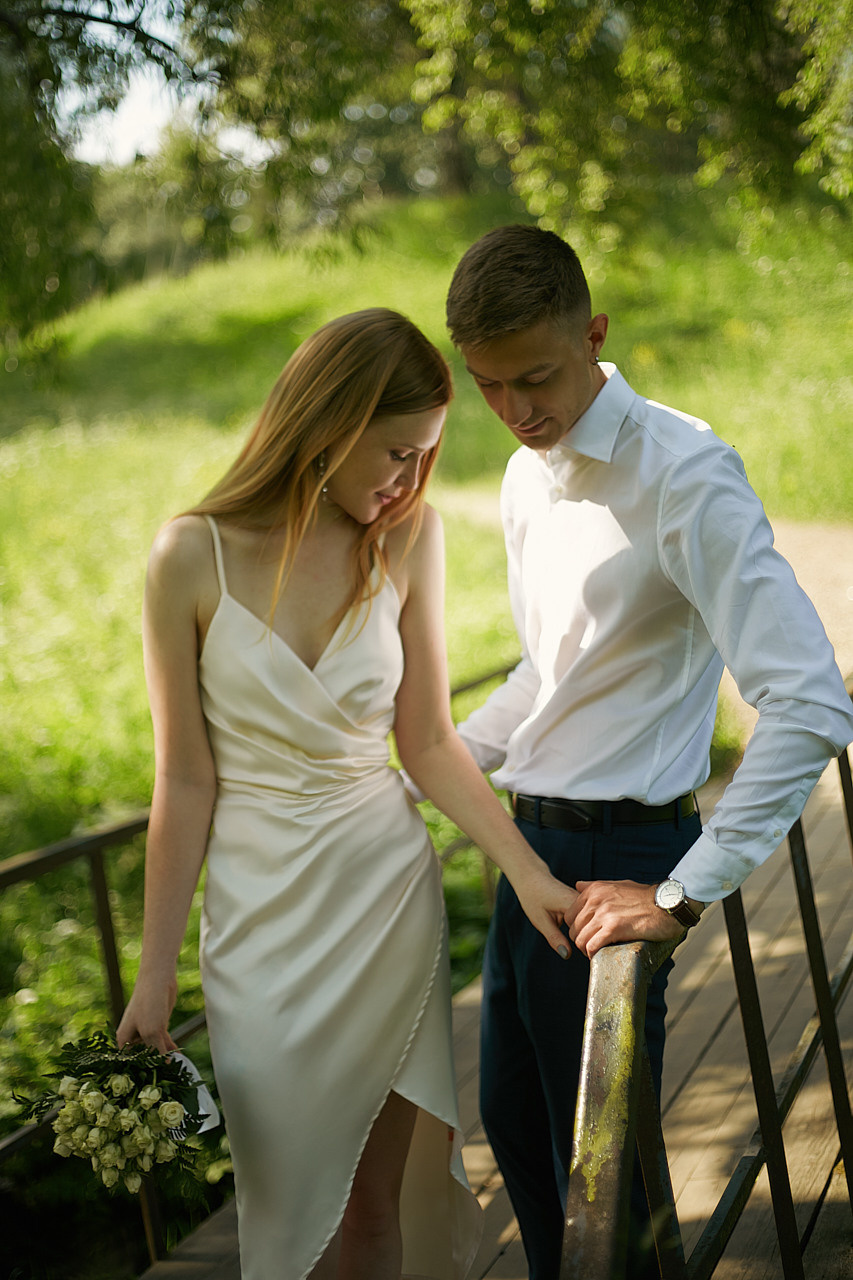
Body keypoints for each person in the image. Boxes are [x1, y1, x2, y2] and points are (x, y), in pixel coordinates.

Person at [115, 307, 579, 1280]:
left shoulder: (409, 539)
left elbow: (428, 740)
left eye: (427, 456)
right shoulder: (188, 555)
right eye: (396, 452)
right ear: (328, 422)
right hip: (260, 926)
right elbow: (185, 778)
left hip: (382, 903)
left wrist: (526, 870)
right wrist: (154, 972)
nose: (410, 480)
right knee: (290, 1207)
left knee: (371, 1207)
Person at [444, 225, 853, 1279]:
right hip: (524, 858)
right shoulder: (526, 476)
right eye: (488, 386)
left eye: (535, 376)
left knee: (607, 1193)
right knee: (523, 1143)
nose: (515, 410)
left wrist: (681, 894)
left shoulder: (686, 472)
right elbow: (553, 667)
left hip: (621, 861)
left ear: (594, 333)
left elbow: (807, 700)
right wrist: (441, 755)